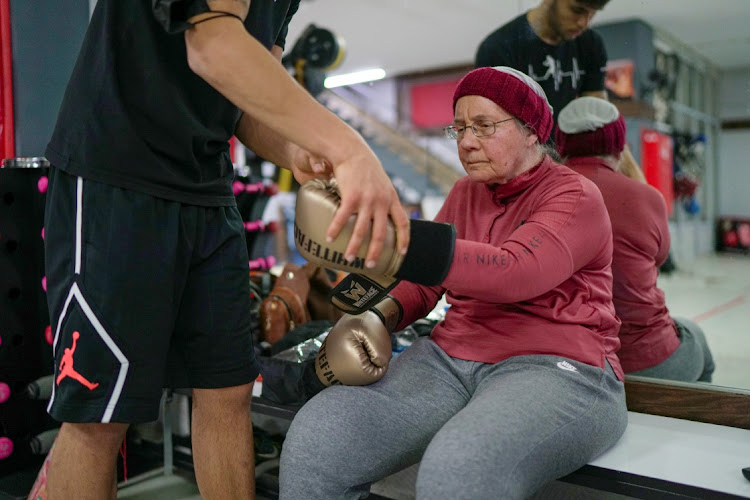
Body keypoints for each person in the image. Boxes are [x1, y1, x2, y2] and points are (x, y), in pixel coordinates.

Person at [41, 1, 409, 499]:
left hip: (209, 195)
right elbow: (214, 47)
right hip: (119, 179)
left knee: (229, 390)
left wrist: (298, 148)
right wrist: (348, 147)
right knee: (101, 410)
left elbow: (246, 94)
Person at [278, 66, 628, 500]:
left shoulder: (574, 196)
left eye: (483, 126)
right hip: (450, 360)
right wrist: (378, 316)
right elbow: (427, 284)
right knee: (319, 438)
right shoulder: (465, 192)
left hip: (558, 369)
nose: (465, 141)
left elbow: (513, 270)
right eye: (459, 127)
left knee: (458, 468)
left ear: (532, 131)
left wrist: (390, 241)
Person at [555, 97, 714, 382]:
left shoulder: (543, 194)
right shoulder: (647, 197)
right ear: (619, 146)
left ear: (562, 146)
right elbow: (659, 258)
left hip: (571, 361)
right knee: (697, 338)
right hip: (646, 357)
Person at [475, 0, 612, 123]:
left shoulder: (590, 43)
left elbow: (597, 112)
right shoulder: (498, 49)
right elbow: (496, 127)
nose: (584, 23)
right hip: (524, 147)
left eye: (592, 14)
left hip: (571, 147)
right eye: (577, 10)